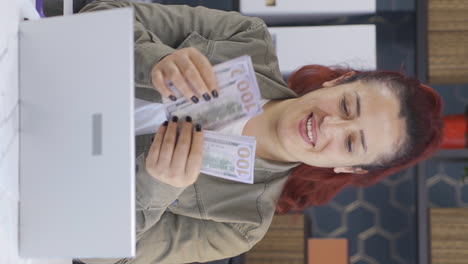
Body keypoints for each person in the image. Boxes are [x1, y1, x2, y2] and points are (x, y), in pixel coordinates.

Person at [76, 1, 444, 264]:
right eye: (347, 105)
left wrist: (156, 187)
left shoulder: (240, 225)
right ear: (339, 80)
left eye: (351, 143)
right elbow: (97, 15)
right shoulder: (245, 37)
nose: (329, 125)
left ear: (349, 169)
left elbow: (95, 253)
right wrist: (151, 59)